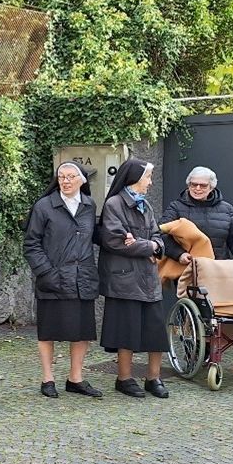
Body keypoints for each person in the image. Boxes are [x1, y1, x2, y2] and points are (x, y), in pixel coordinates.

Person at [23, 162, 101, 399]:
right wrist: (46, 272)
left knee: (82, 331)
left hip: (82, 279)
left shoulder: (89, 206)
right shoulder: (44, 206)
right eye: (61, 177)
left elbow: (96, 238)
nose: (65, 181)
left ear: (82, 180)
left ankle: (75, 378)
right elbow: (31, 244)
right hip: (53, 278)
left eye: (70, 177)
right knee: (48, 332)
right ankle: (48, 379)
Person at [98, 159, 170, 399]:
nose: (150, 183)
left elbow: (158, 236)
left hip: (149, 279)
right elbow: (114, 240)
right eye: (148, 177)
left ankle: (153, 378)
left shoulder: (145, 206)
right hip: (124, 279)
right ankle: (124, 379)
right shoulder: (114, 204)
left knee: (155, 331)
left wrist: (151, 245)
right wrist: (148, 247)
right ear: (135, 178)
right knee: (125, 331)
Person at [159, 167, 233, 264]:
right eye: (194, 184)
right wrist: (179, 254)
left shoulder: (226, 209)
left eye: (203, 186)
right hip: (188, 268)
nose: (197, 188)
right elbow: (160, 233)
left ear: (211, 187)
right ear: (188, 185)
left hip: (218, 267)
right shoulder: (176, 207)